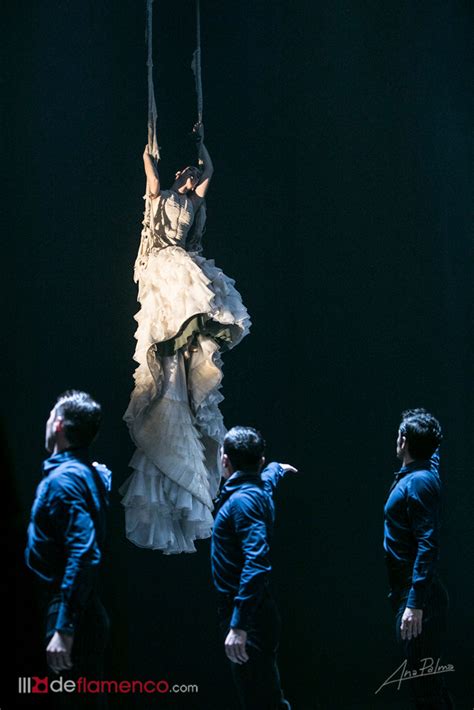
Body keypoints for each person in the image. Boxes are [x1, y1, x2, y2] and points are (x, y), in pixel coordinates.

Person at [121, 122, 251, 554]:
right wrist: (150, 149)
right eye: (186, 174)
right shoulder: (161, 199)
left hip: (181, 267)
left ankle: (187, 348)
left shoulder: (193, 201)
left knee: (194, 303)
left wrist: (201, 144)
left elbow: (209, 170)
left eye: (191, 175)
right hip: (166, 270)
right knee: (175, 319)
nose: (189, 176)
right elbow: (152, 176)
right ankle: (174, 353)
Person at [25, 391, 111, 708]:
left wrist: (65, 625)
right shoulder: (85, 474)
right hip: (78, 611)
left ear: (58, 424)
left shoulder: (67, 480)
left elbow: (84, 552)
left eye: (50, 417)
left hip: (71, 613)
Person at [211, 426, 296, 710]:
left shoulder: (243, 501)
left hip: (250, 618)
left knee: (263, 702)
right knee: (262, 695)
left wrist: (239, 624)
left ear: (225, 461)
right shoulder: (257, 487)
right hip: (253, 613)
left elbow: (256, 563)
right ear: (259, 461)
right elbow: (267, 479)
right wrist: (276, 468)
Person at [384, 408, 454, 708]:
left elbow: (428, 544)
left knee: (425, 686)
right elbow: (431, 449)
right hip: (412, 594)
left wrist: (415, 603)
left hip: (419, 599)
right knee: (423, 684)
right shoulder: (422, 471)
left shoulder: (419, 482)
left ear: (403, 441)